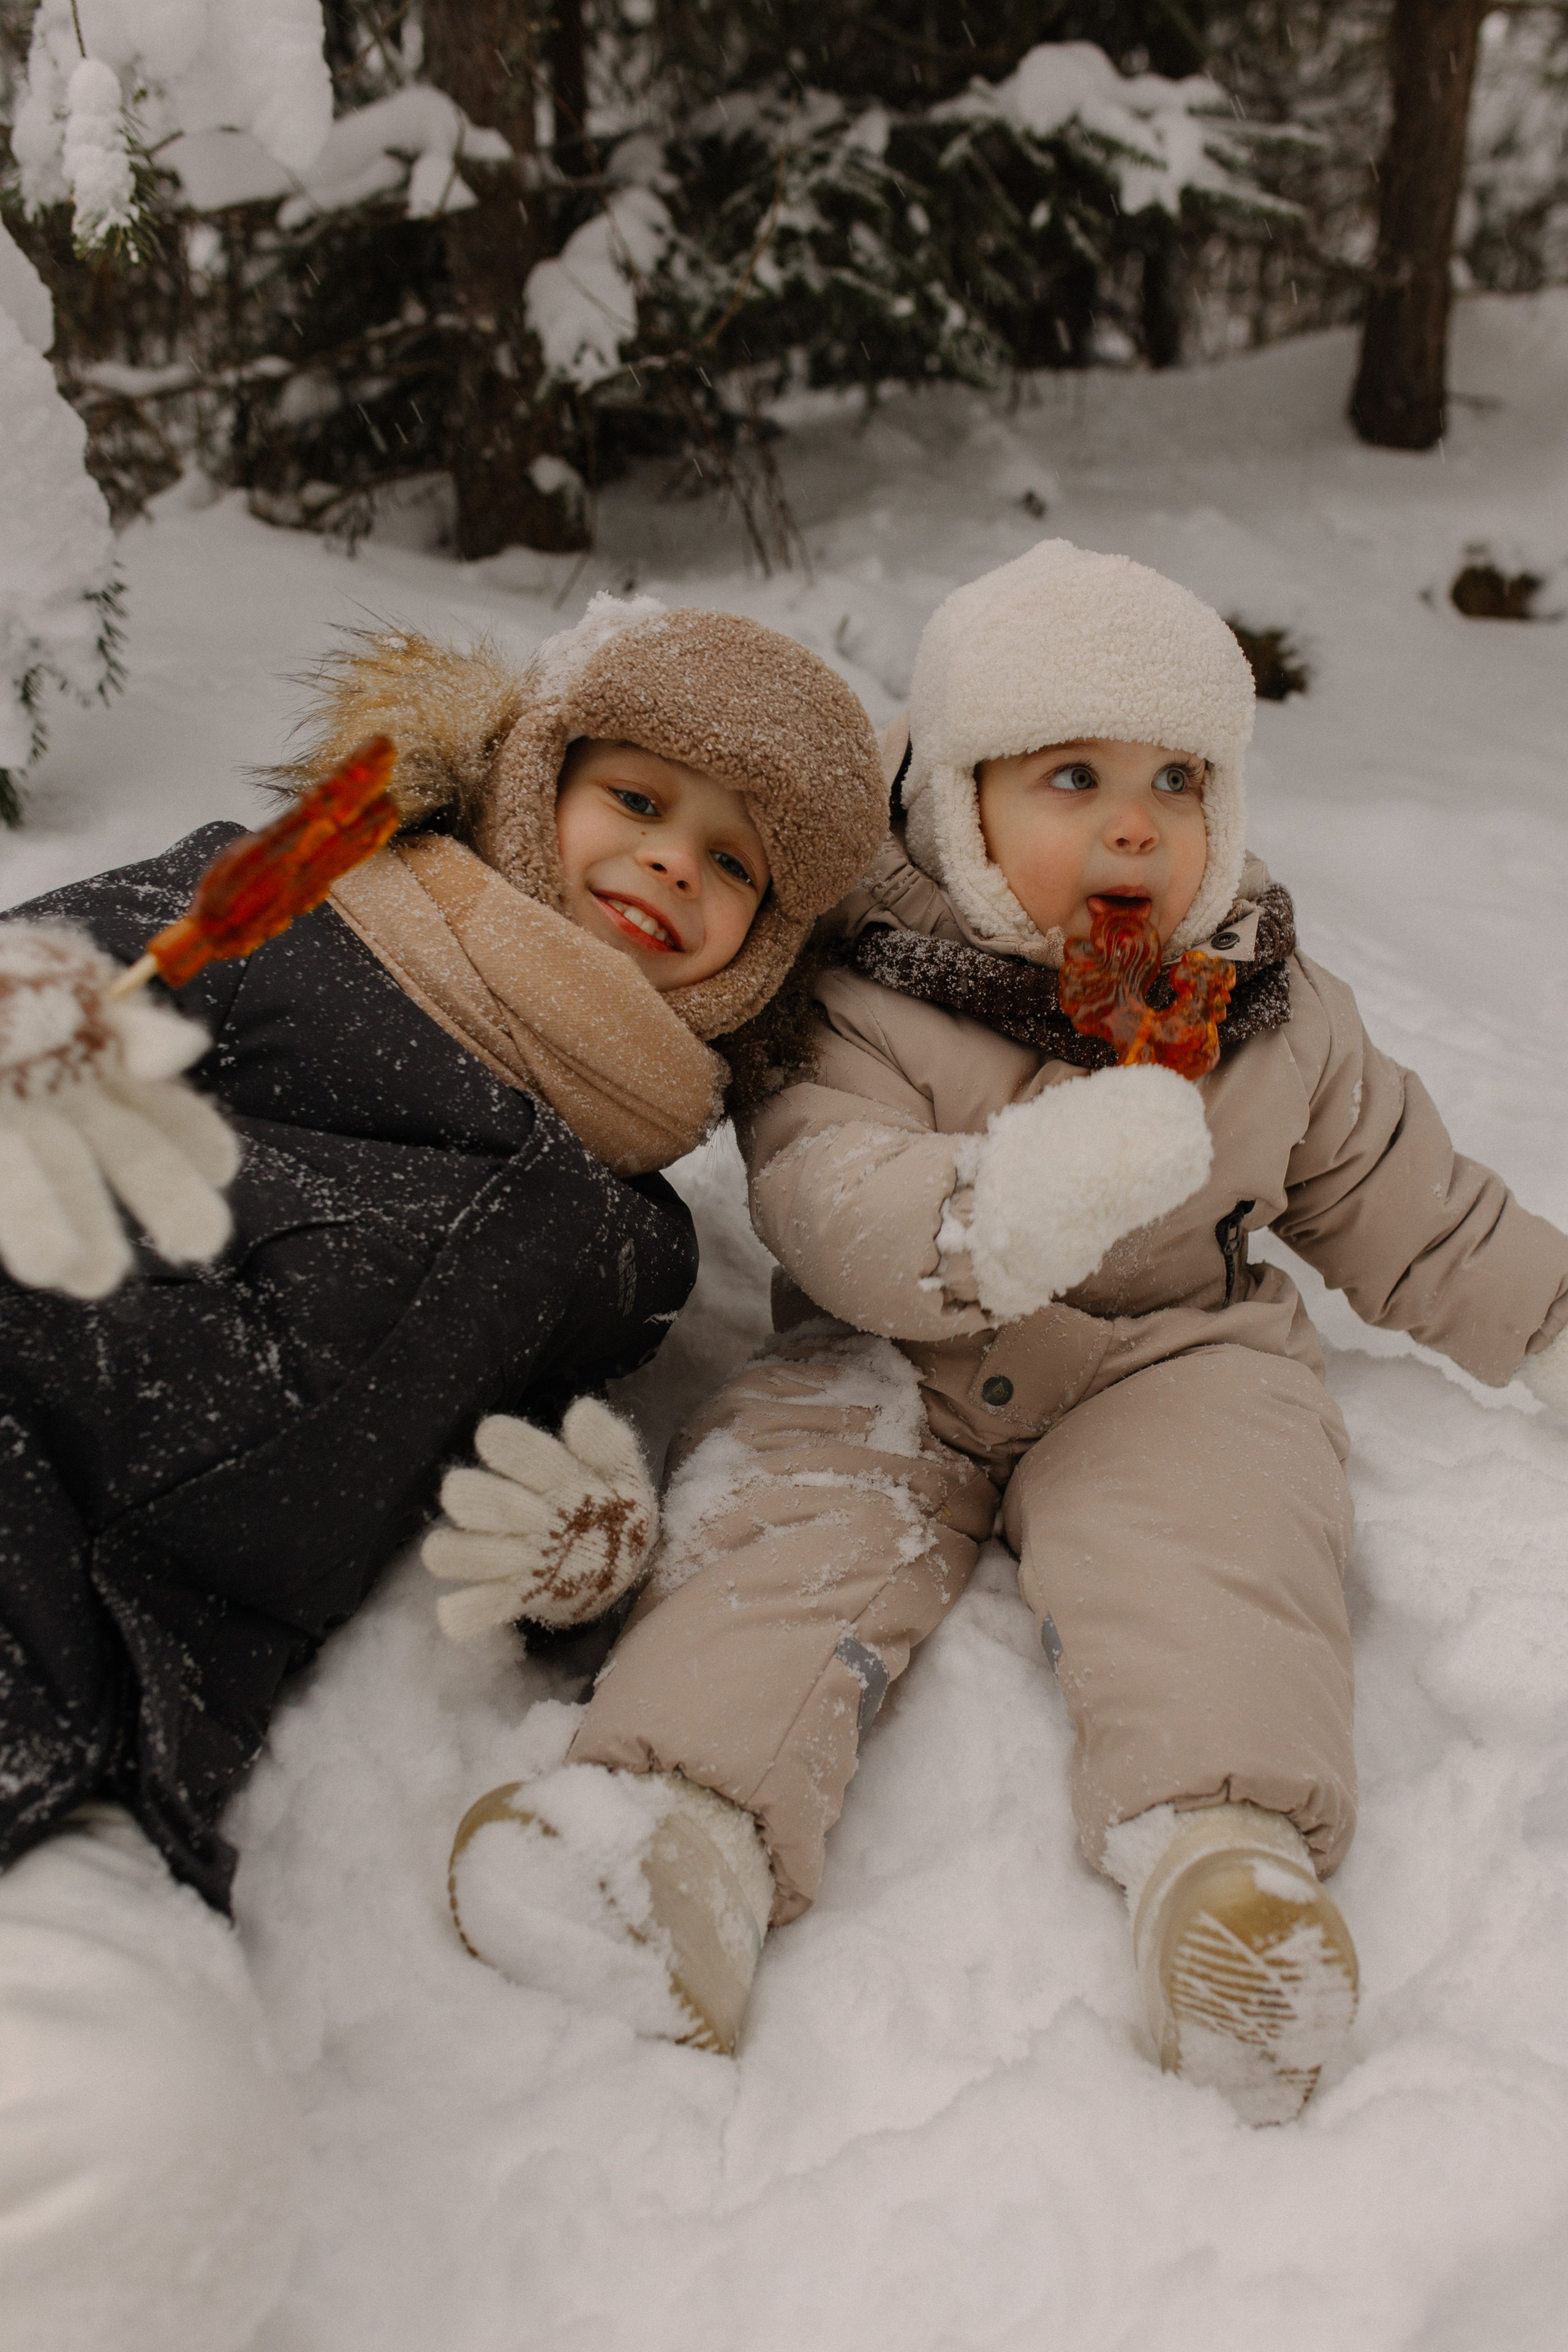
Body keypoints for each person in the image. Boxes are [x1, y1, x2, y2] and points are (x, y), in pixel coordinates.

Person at [444, 540, 1568, 2125]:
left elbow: (1414, 1206)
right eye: (1072, 776)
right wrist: (991, 1215)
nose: (1136, 822)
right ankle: (675, 1836)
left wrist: (1549, 1321)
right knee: (783, 1537)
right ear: (965, 801)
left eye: (1179, 778)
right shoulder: (868, 981)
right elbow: (823, 1185)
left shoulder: (1270, 1006)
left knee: (1220, 1549)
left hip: (1172, 1354)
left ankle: (1225, 1869)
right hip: (885, 1354)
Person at [0, 592, 886, 2352]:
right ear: (537, 777)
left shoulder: (628, 1234)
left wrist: (585, 1541)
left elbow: (510, 1458)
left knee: (156, 2171)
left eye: (734, 864)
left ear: (768, 951)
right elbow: (66, 968)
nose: (672, 863)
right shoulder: (312, 899)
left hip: (140, 1678)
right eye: (637, 800)